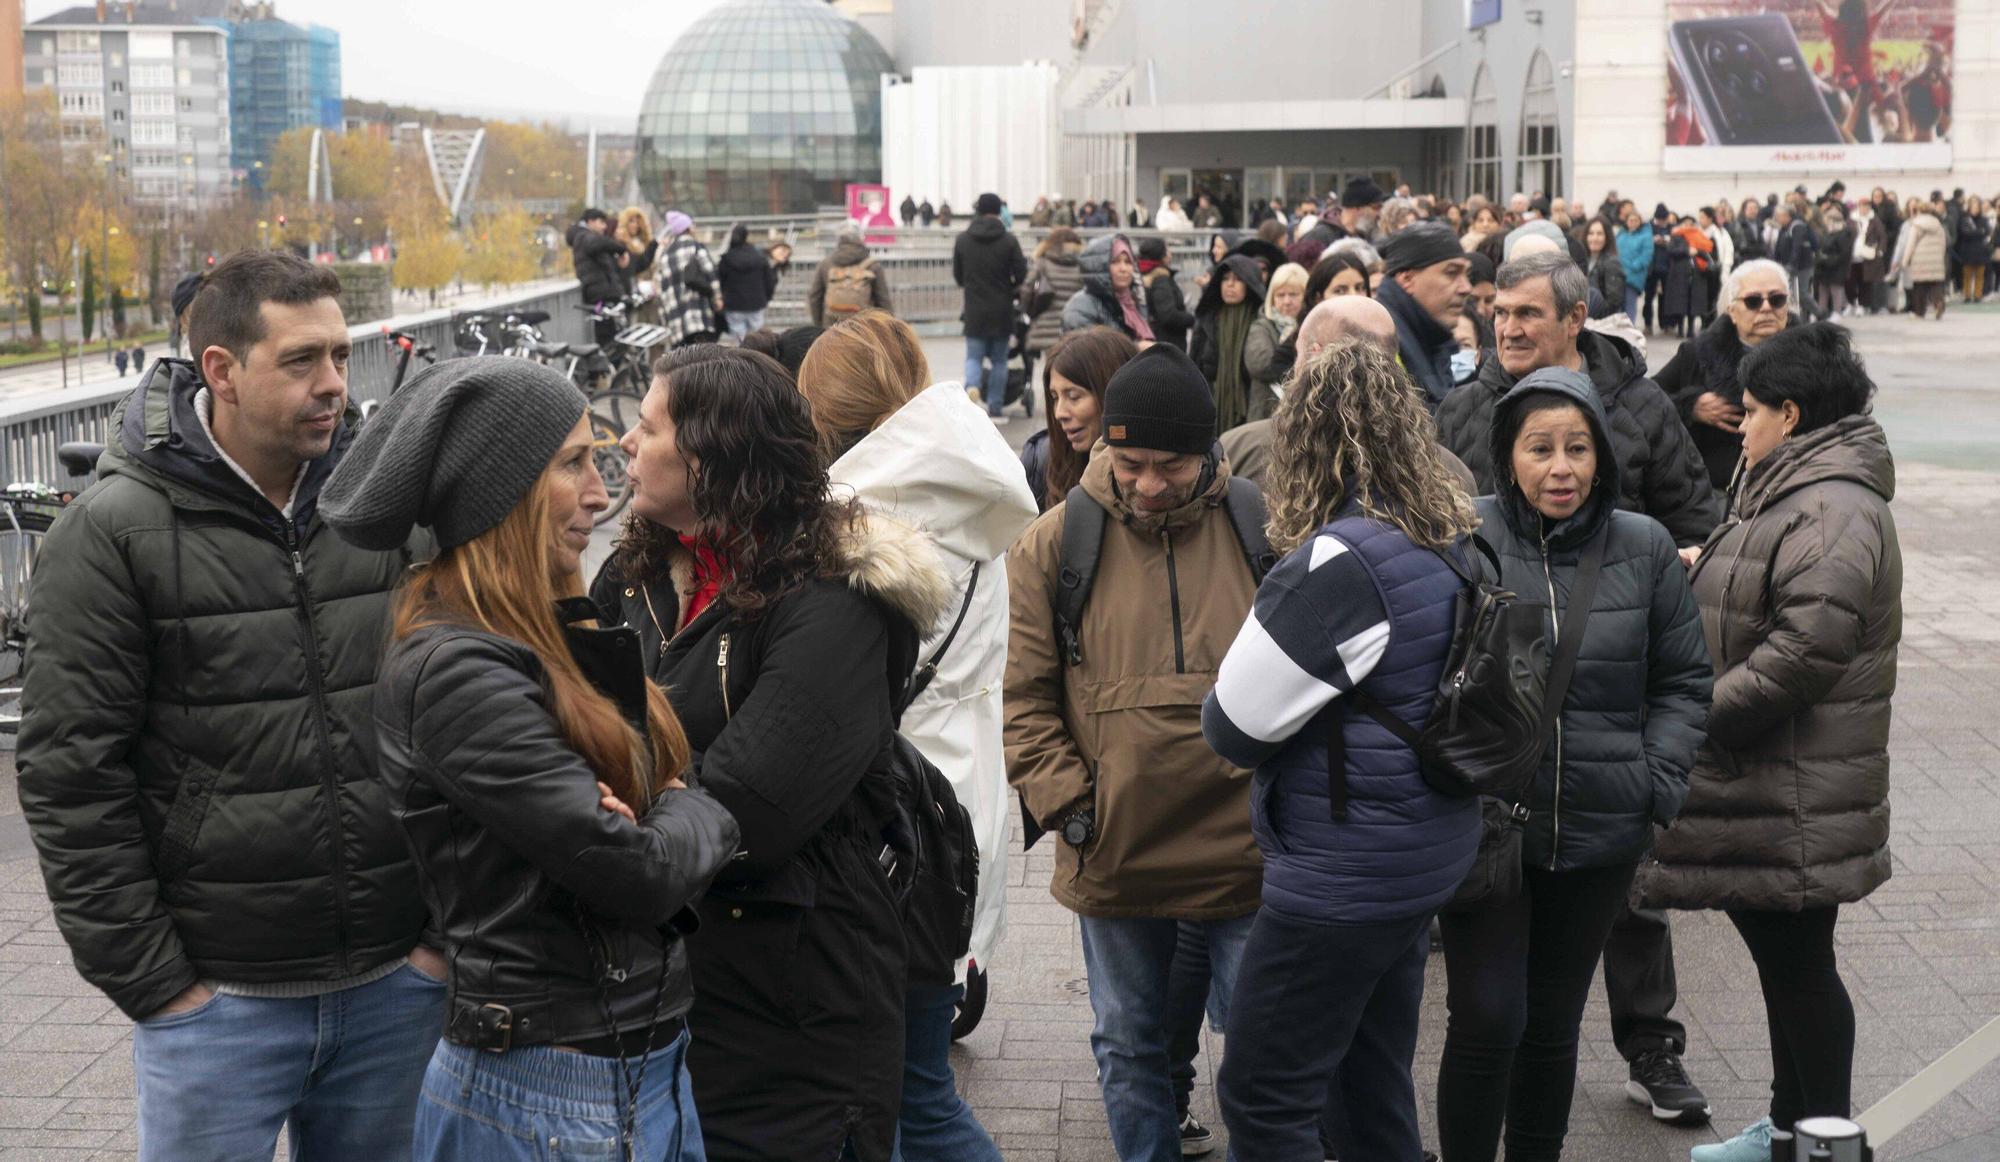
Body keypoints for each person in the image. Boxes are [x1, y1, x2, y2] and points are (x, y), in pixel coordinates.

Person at [17, 250, 445, 1159]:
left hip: (397, 988)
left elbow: (459, 723)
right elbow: (69, 773)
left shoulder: (385, 510)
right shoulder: (112, 532)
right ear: (221, 370)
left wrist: (441, 942)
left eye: (340, 353)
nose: (335, 383)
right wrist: (157, 985)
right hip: (219, 1007)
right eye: (301, 361)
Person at [323, 356, 737, 1160]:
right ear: (502, 496)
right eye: (572, 463)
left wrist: (663, 809)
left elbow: (645, 839)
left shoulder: (546, 640)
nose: (600, 490)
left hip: (634, 1070)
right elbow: (638, 871)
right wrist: (692, 804)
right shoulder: (458, 670)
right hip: (543, 1091)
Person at [592, 345, 951, 1161]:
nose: (625, 444)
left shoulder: (836, 600)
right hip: (668, 979)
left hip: (796, 997)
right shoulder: (635, 575)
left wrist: (599, 812)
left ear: (714, 454)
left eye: (646, 429)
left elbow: (751, 806)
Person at [1206, 336, 1483, 1162]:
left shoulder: (1335, 562)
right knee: (1368, 1081)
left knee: (1263, 1097)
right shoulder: (1448, 532)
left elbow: (1233, 728)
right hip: (1422, 851)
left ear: (1306, 441)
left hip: (1341, 876)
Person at [1435, 363, 1712, 1162]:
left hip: (1599, 828)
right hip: (1487, 830)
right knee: (1487, 1019)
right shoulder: (1464, 535)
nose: (1561, 468)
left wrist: (1653, 784)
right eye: (1540, 449)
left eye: (1578, 449)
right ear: (1507, 455)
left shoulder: (1645, 545)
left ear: (1602, 456)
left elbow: (1685, 680)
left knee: (1553, 1025)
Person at [1640, 323, 1901, 1162]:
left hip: (1792, 784)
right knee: (1791, 965)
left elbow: (1803, 653)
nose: (1738, 424)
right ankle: (1794, 1127)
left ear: (1789, 415)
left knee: (1799, 969)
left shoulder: (1831, 506)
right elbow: (1773, 597)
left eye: (1750, 411)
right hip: (1777, 779)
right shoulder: (1796, 486)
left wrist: (1693, 718)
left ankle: (1824, 1139)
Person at [1005, 343, 1264, 1162]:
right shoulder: (1054, 545)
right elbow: (1024, 701)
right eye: (1131, 461)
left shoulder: (1264, 527)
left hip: (1246, 847)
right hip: (1113, 844)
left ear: (1208, 451)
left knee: (1263, 1040)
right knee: (1128, 1042)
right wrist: (1074, 810)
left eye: (1172, 464)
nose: (1149, 484)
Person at [796, 313, 1038, 1162]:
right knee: (914, 1077)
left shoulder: (863, 517)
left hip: (895, 819)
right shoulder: (967, 485)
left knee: (912, 1096)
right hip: (960, 794)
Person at [1440, 251, 1723, 548]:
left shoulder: (1643, 407)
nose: (1509, 330)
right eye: (1501, 313)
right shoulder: (1460, 410)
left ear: (1575, 318)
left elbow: (1693, 529)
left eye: (1528, 313)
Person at [1654, 259, 1794, 491]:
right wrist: (1691, 406)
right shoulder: (1698, 353)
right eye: (1753, 301)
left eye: (1777, 299)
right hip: (1711, 488)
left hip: (1790, 482)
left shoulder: (1815, 357)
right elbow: (1647, 399)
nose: (1767, 308)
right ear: (1732, 311)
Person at [1020, 326, 1138, 511]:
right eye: (1055, 397)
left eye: (1073, 396)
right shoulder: (1039, 462)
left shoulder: (1157, 470)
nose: (1059, 413)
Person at [1376, 222, 1473, 411]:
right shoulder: (1380, 341)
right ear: (1407, 280)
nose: (1466, 288)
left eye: (1466, 274)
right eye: (1452, 273)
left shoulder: (1432, 336)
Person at [955, 192, 1029, 419]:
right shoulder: (1009, 240)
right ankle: (995, 407)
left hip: (974, 309)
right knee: (999, 360)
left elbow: (958, 276)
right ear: (999, 211)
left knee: (973, 357)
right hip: (1002, 309)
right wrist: (1010, 287)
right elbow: (1021, 273)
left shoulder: (963, 239)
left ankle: (971, 391)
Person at [1189, 253, 1268, 433]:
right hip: (1211, 407)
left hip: (1250, 409)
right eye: (1225, 279)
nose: (1230, 284)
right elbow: (1193, 365)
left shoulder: (1260, 322)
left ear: (1249, 284)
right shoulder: (1207, 320)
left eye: (1238, 279)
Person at [1024, 227, 1088, 393]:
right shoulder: (1083, 263)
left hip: (1046, 323)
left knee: (1051, 366)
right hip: (1075, 324)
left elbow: (1027, 286)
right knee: (1073, 367)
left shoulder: (1043, 261)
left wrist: (1028, 310)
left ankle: (1053, 401)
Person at [1061, 233, 1156, 345]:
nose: (1123, 268)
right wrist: (1136, 348)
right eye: (1115, 261)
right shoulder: (1080, 306)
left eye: (1128, 262)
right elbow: (1085, 353)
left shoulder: (1135, 302)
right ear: (1100, 266)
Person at [1241, 260, 1306, 420]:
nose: (1286, 301)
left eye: (1293, 294)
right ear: (1272, 298)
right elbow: (1260, 364)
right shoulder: (1262, 326)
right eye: (1280, 295)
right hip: (1266, 415)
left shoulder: (1315, 324)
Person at [810, 221, 894, 327]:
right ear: (860, 237)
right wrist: (890, 327)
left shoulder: (826, 264)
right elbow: (883, 299)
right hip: (864, 327)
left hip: (831, 328)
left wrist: (819, 325)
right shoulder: (872, 265)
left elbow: (814, 297)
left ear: (839, 239)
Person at [657, 211, 721, 348]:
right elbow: (710, 272)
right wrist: (718, 297)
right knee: (705, 360)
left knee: (685, 365)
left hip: (676, 324)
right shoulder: (695, 246)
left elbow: (660, 289)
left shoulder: (665, 254)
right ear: (689, 228)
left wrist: (665, 320)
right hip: (698, 316)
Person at [569, 208, 631, 344]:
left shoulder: (581, 237)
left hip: (601, 295)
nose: (604, 227)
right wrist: (622, 250)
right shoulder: (585, 237)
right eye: (601, 222)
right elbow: (599, 243)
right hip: (601, 296)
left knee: (612, 337)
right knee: (609, 338)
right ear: (590, 222)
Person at [715, 223, 779, 340]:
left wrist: (723, 299)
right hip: (757, 302)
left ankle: (742, 357)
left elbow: (720, 282)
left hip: (733, 304)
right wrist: (767, 298)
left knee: (739, 338)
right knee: (758, 338)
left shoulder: (725, 259)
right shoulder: (759, 257)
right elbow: (769, 280)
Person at [1892, 198, 1950, 318]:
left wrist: (1905, 261)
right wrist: (1940, 256)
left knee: (1919, 287)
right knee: (1935, 284)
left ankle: (1919, 312)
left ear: (1919, 211)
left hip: (1919, 259)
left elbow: (1910, 244)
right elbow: (1943, 243)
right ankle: (1938, 303)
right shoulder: (1938, 224)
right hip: (1935, 258)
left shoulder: (1916, 224)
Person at [1662, 214, 1715, 337]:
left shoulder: (1699, 236)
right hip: (1680, 275)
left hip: (1696, 274)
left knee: (1693, 303)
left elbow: (1706, 253)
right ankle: (1680, 329)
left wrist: (1697, 251)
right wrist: (1687, 251)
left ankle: (1690, 329)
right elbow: (1671, 251)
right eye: (1686, 223)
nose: (1688, 226)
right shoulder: (1676, 236)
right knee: (1680, 303)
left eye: (1691, 224)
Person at [1139, 237, 1195, 352]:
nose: (1171, 253)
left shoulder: (1143, 275)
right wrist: (1193, 320)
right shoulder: (1161, 279)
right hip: (1168, 344)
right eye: (1168, 250)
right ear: (1161, 255)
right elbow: (1168, 315)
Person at [1773, 205, 1820, 322]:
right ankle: (1804, 319)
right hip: (1789, 265)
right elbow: (1779, 247)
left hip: (1802, 266)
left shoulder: (1797, 226)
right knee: (1795, 294)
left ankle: (1821, 314)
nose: (1777, 218)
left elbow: (1797, 247)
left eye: (1778, 216)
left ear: (1786, 216)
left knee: (1802, 293)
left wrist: (1792, 264)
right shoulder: (1784, 228)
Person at [1813, 205, 1856, 320]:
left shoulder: (1843, 233)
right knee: (1823, 289)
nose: (1825, 221)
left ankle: (1838, 312)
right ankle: (1821, 312)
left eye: (1827, 219)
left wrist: (1829, 259)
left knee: (1836, 289)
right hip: (1824, 267)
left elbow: (1844, 253)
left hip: (1836, 267)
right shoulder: (1827, 232)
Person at [1847, 197, 1887, 315]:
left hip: (1867, 255)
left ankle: (1862, 304)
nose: (1864, 209)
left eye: (1866, 207)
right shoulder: (1851, 220)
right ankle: (1852, 303)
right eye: (1862, 206)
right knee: (1850, 281)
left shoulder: (1874, 220)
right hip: (1853, 254)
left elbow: (1882, 236)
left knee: (1864, 282)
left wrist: (1880, 251)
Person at [1582, 217, 1627, 320]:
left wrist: (1593, 315)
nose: (1594, 238)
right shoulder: (1584, 260)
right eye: (1591, 233)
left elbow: (1614, 302)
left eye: (1599, 234)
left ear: (1607, 237)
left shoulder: (1612, 263)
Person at [1615, 206, 1655, 323]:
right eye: (1630, 220)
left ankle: (1629, 332)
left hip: (1633, 276)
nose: (1632, 223)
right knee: (1618, 307)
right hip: (1618, 274)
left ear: (1640, 222)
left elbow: (1646, 255)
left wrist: (1633, 266)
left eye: (1635, 220)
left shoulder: (1646, 236)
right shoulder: (1621, 234)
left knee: (1629, 306)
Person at [1954, 194, 1992, 303]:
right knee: (1967, 275)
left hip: (1981, 251)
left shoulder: (1984, 219)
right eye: (1973, 207)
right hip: (1967, 251)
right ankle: (1966, 295)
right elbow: (1964, 233)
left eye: (1977, 207)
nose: (1975, 209)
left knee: (1980, 275)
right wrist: (1978, 232)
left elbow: (1987, 232)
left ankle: (1977, 295)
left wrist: (1975, 233)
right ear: (1969, 208)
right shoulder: (1964, 219)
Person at [616, 206, 659, 291]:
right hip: (624, 287)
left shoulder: (639, 244)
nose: (635, 225)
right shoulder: (620, 243)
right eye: (631, 221)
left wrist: (653, 246)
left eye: (637, 222)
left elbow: (641, 264)